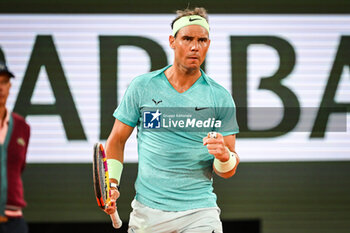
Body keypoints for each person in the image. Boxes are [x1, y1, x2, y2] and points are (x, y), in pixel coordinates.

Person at [105, 7, 240, 233]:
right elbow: (117, 140)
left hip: (199, 213)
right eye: (187, 38)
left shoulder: (220, 97)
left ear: (208, 43)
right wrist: (112, 184)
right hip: (148, 212)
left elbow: (227, 170)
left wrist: (224, 156)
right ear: (172, 41)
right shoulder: (142, 86)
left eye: (202, 40)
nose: (195, 46)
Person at [0, 61, 30, 233]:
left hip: (14, 222)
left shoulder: (22, 127)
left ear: (10, 87)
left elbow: (19, 167)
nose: (0, 88)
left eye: (4, 82)